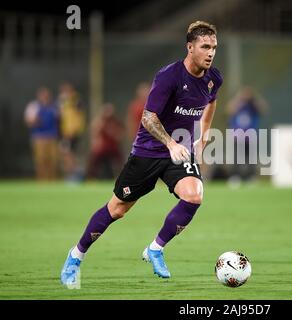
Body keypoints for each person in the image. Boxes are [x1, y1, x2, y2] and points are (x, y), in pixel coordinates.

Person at [61, 21, 222, 288]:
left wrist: (203, 135)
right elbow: (148, 118)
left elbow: (212, 102)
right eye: (205, 46)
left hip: (179, 153)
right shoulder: (169, 76)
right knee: (117, 209)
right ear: (190, 47)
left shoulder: (213, 78)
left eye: (214, 47)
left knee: (194, 195)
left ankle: (156, 249)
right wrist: (170, 144)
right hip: (148, 152)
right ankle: (75, 256)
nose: (211, 52)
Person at [226, 86, 267, 182]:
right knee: (236, 158)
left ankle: (251, 177)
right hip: (238, 136)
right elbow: (229, 109)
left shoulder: (253, 106)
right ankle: (235, 176)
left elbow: (263, 109)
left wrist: (254, 98)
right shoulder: (239, 104)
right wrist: (239, 98)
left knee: (251, 158)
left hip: (250, 136)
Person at [24, 87, 59, 181]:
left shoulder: (54, 107)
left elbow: (59, 120)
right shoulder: (34, 106)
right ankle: (42, 180)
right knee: (41, 160)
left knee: (53, 160)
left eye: (47, 94)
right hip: (39, 137)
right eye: (43, 94)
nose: (45, 96)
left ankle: (52, 180)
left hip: (52, 136)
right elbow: (28, 120)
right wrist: (35, 121)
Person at [86, 103, 124, 180]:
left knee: (120, 161)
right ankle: (91, 178)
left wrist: (117, 136)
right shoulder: (100, 121)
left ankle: (122, 177)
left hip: (113, 147)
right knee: (94, 159)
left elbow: (120, 134)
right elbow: (94, 132)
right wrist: (95, 142)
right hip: (103, 147)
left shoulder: (115, 121)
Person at [58, 82, 86, 182]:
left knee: (69, 153)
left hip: (72, 132)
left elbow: (79, 117)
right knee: (67, 153)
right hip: (66, 132)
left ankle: (74, 176)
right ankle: (72, 174)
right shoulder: (63, 101)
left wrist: (74, 130)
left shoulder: (76, 100)